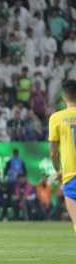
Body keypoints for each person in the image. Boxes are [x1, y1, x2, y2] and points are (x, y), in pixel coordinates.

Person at [48, 80, 76, 233]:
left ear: (64, 97)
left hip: (71, 177)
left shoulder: (56, 118)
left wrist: (58, 170)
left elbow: (53, 152)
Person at [2, 149, 27, 220]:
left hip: (14, 184)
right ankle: (13, 216)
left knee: (13, 200)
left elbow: (5, 171)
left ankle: (15, 216)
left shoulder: (12, 161)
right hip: (13, 184)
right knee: (10, 200)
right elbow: (25, 172)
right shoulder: (15, 161)